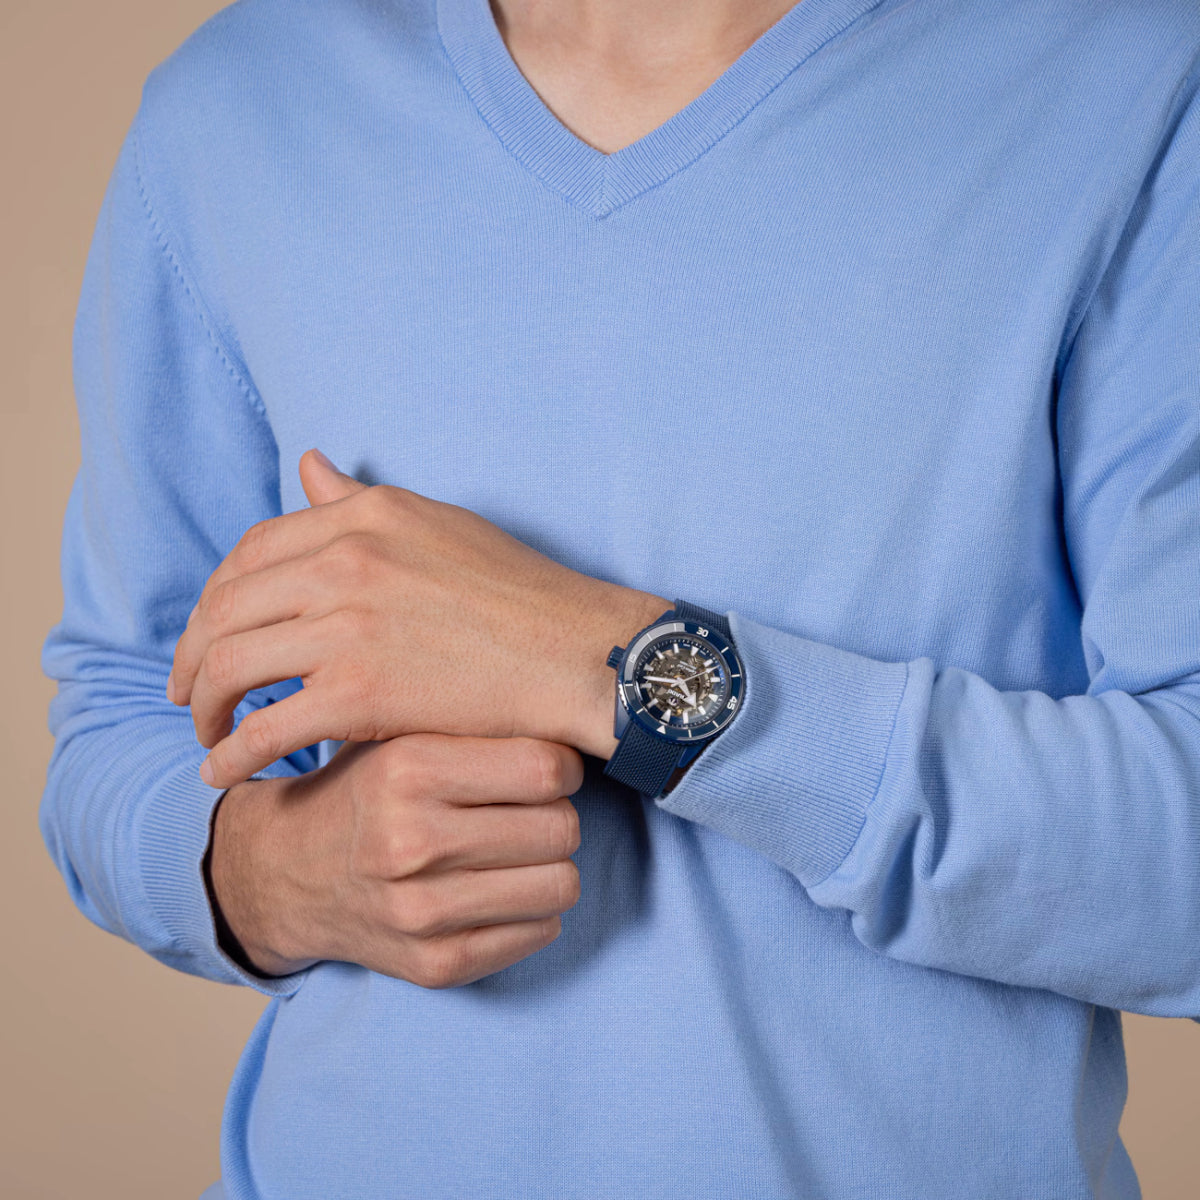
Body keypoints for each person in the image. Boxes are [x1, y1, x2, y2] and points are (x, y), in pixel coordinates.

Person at [40, 0, 1200, 1195]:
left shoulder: (1129, 78)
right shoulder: (238, 102)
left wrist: (613, 666)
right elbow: (126, 706)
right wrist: (272, 875)